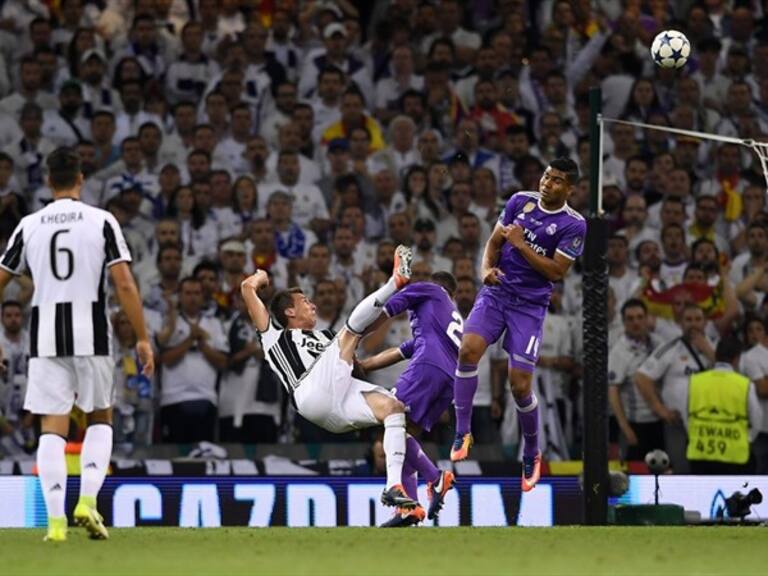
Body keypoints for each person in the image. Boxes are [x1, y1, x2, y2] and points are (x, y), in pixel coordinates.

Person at [0, 147, 153, 542]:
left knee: (52, 426)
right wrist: (141, 337)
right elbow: (123, 283)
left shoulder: (29, 225)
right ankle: (87, 500)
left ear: (49, 181)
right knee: (100, 418)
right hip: (92, 335)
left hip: (45, 336)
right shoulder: (102, 221)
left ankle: (54, 522)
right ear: (81, 179)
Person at [240, 245, 423, 511]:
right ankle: (395, 282)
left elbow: (360, 366)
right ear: (290, 312)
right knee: (350, 331)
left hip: (337, 405)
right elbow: (247, 288)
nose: (312, 304)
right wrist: (260, 276)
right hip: (308, 391)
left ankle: (393, 486)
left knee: (393, 408)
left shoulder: (328, 339)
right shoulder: (273, 336)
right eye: (305, 301)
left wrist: (408, 349)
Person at [451, 157, 586, 492]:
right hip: (496, 293)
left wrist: (523, 246)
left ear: (569, 189)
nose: (547, 183)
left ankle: (531, 451)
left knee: (520, 385)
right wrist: (484, 271)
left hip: (529, 306)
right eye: (546, 176)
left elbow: (556, 272)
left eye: (556, 180)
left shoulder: (574, 225)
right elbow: (494, 243)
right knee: (467, 351)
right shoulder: (518, 202)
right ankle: (462, 430)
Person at [359, 271, 460, 527]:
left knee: (390, 423)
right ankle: (409, 509)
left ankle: (435, 477)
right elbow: (399, 351)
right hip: (449, 380)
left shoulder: (429, 290)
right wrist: (363, 366)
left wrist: (354, 333)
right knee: (402, 441)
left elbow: (386, 310)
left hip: (427, 368)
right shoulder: (443, 323)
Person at [686, 339, 763, 475]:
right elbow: (757, 418)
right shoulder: (744, 384)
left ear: (716, 355)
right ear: (737, 358)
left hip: (701, 453)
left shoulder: (696, 381)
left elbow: (687, 414)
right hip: (735, 455)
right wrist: (746, 438)